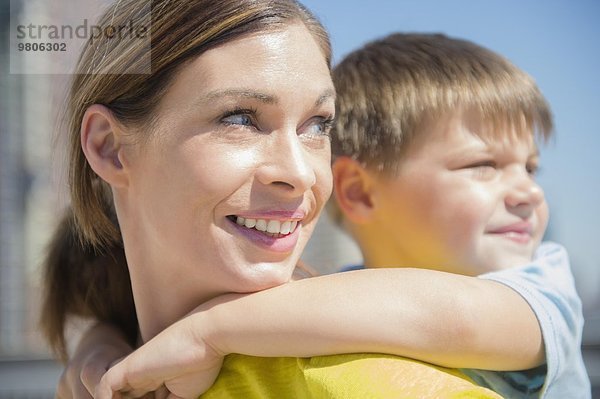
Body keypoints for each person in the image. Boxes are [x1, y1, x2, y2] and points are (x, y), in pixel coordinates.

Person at [61, 30, 588, 399]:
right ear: (358, 193)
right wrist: (102, 348)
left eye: (531, 168)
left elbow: (452, 316)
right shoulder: (338, 302)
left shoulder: (541, 285)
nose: (528, 193)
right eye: (483, 166)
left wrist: (207, 331)